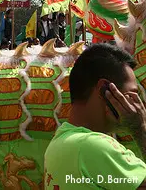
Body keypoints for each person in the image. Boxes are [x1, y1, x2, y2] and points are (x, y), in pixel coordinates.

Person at [44, 44, 146, 189]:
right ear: (105, 90)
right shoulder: (94, 146)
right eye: (131, 94)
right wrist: (140, 129)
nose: (138, 105)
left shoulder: (60, 141)